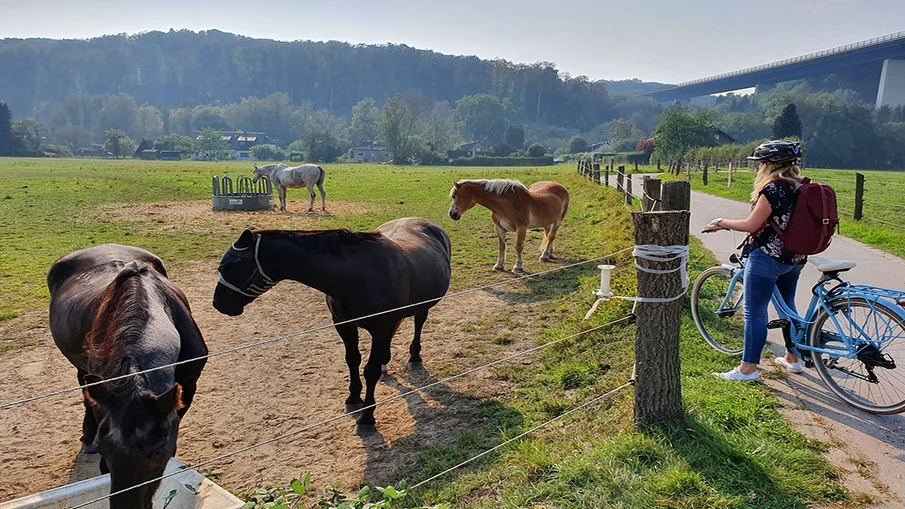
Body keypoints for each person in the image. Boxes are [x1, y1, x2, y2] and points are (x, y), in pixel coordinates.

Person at [704, 140, 807, 381]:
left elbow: (751, 225)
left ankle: (747, 369)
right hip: (795, 256)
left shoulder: (773, 189)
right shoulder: (801, 186)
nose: (758, 166)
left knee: (755, 311)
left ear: (769, 164)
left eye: (760, 162)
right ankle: (793, 358)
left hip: (767, 257)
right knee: (787, 306)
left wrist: (722, 222)